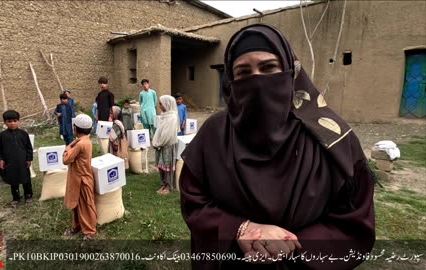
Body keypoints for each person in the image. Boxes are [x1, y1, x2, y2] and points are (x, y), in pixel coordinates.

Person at [179, 24, 375, 269]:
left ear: (290, 72)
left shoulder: (331, 137)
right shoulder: (214, 133)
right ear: (231, 80)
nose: (257, 80)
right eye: (243, 71)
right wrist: (241, 229)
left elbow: (354, 221)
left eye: (269, 67)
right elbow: (193, 200)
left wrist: (290, 245)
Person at [62, 114, 97, 240]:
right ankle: (76, 225)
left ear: (75, 128)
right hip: (78, 177)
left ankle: (89, 231)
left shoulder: (80, 144)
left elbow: (66, 159)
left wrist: (67, 147)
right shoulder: (86, 141)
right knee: (76, 204)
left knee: (86, 205)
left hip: (82, 178)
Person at [0, 110, 33, 208]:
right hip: (10, 162)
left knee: (26, 180)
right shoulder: (1, 136)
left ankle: (28, 196)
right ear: (5, 122)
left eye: (15, 121)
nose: (12, 123)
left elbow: (29, 147)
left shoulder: (23, 134)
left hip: (23, 161)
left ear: (19, 121)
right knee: (13, 181)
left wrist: (29, 159)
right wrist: (0, 159)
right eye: (9, 121)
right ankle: (16, 198)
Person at [152, 95, 179, 195]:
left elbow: (168, 134)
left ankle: (168, 186)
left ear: (166, 104)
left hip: (167, 145)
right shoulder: (164, 115)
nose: (159, 105)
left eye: (160, 103)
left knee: (167, 166)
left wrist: (158, 143)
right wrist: (156, 142)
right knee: (161, 165)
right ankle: (163, 183)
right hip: (161, 145)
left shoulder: (172, 117)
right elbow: (159, 131)